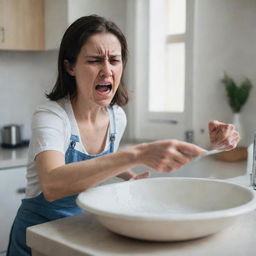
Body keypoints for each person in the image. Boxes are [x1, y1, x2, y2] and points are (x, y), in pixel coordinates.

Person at [7, 15, 240, 256]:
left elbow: (99, 158)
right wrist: (137, 155)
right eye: (95, 60)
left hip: (76, 229)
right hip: (36, 237)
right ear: (70, 66)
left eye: (115, 60)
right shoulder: (51, 116)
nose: (106, 70)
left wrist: (213, 146)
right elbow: (53, 184)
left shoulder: (117, 117)